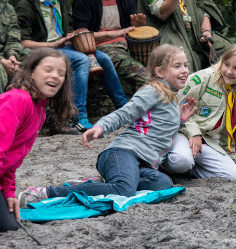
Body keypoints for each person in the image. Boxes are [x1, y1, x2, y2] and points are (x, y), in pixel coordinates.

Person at [19, 45, 197, 206]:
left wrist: (180, 120)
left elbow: (160, 130)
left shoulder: (171, 97)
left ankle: (99, 184)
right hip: (123, 152)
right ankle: (45, 193)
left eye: (185, 65)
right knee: (124, 190)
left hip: (143, 164)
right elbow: (125, 112)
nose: (184, 71)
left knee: (163, 184)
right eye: (177, 66)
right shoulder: (154, 90)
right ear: (159, 71)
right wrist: (101, 126)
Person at [0, 48, 74, 237]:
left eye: (61, 73)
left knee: (7, 226)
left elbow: (13, 157)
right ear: (32, 72)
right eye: (48, 69)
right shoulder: (17, 99)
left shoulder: (40, 111)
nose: (55, 76)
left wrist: (9, 191)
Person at [15, 0, 129, 132]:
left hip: (64, 47)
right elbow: (24, 42)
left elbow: (67, 29)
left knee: (104, 59)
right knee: (81, 60)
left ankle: (125, 109)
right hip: (42, 51)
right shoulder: (26, 4)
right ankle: (78, 116)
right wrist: (52, 45)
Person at [163, 43, 236, 180]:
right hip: (182, 133)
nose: (229, 71)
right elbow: (180, 109)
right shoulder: (202, 79)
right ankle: (162, 165)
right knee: (180, 161)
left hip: (205, 141)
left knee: (233, 175)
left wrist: (231, 161)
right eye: (226, 64)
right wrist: (194, 133)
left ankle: (190, 171)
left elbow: (232, 130)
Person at [72, 0, 149, 88]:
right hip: (102, 47)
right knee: (144, 77)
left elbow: (130, 29)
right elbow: (80, 36)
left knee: (162, 67)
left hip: (128, 44)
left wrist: (136, 26)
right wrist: (111, 34)